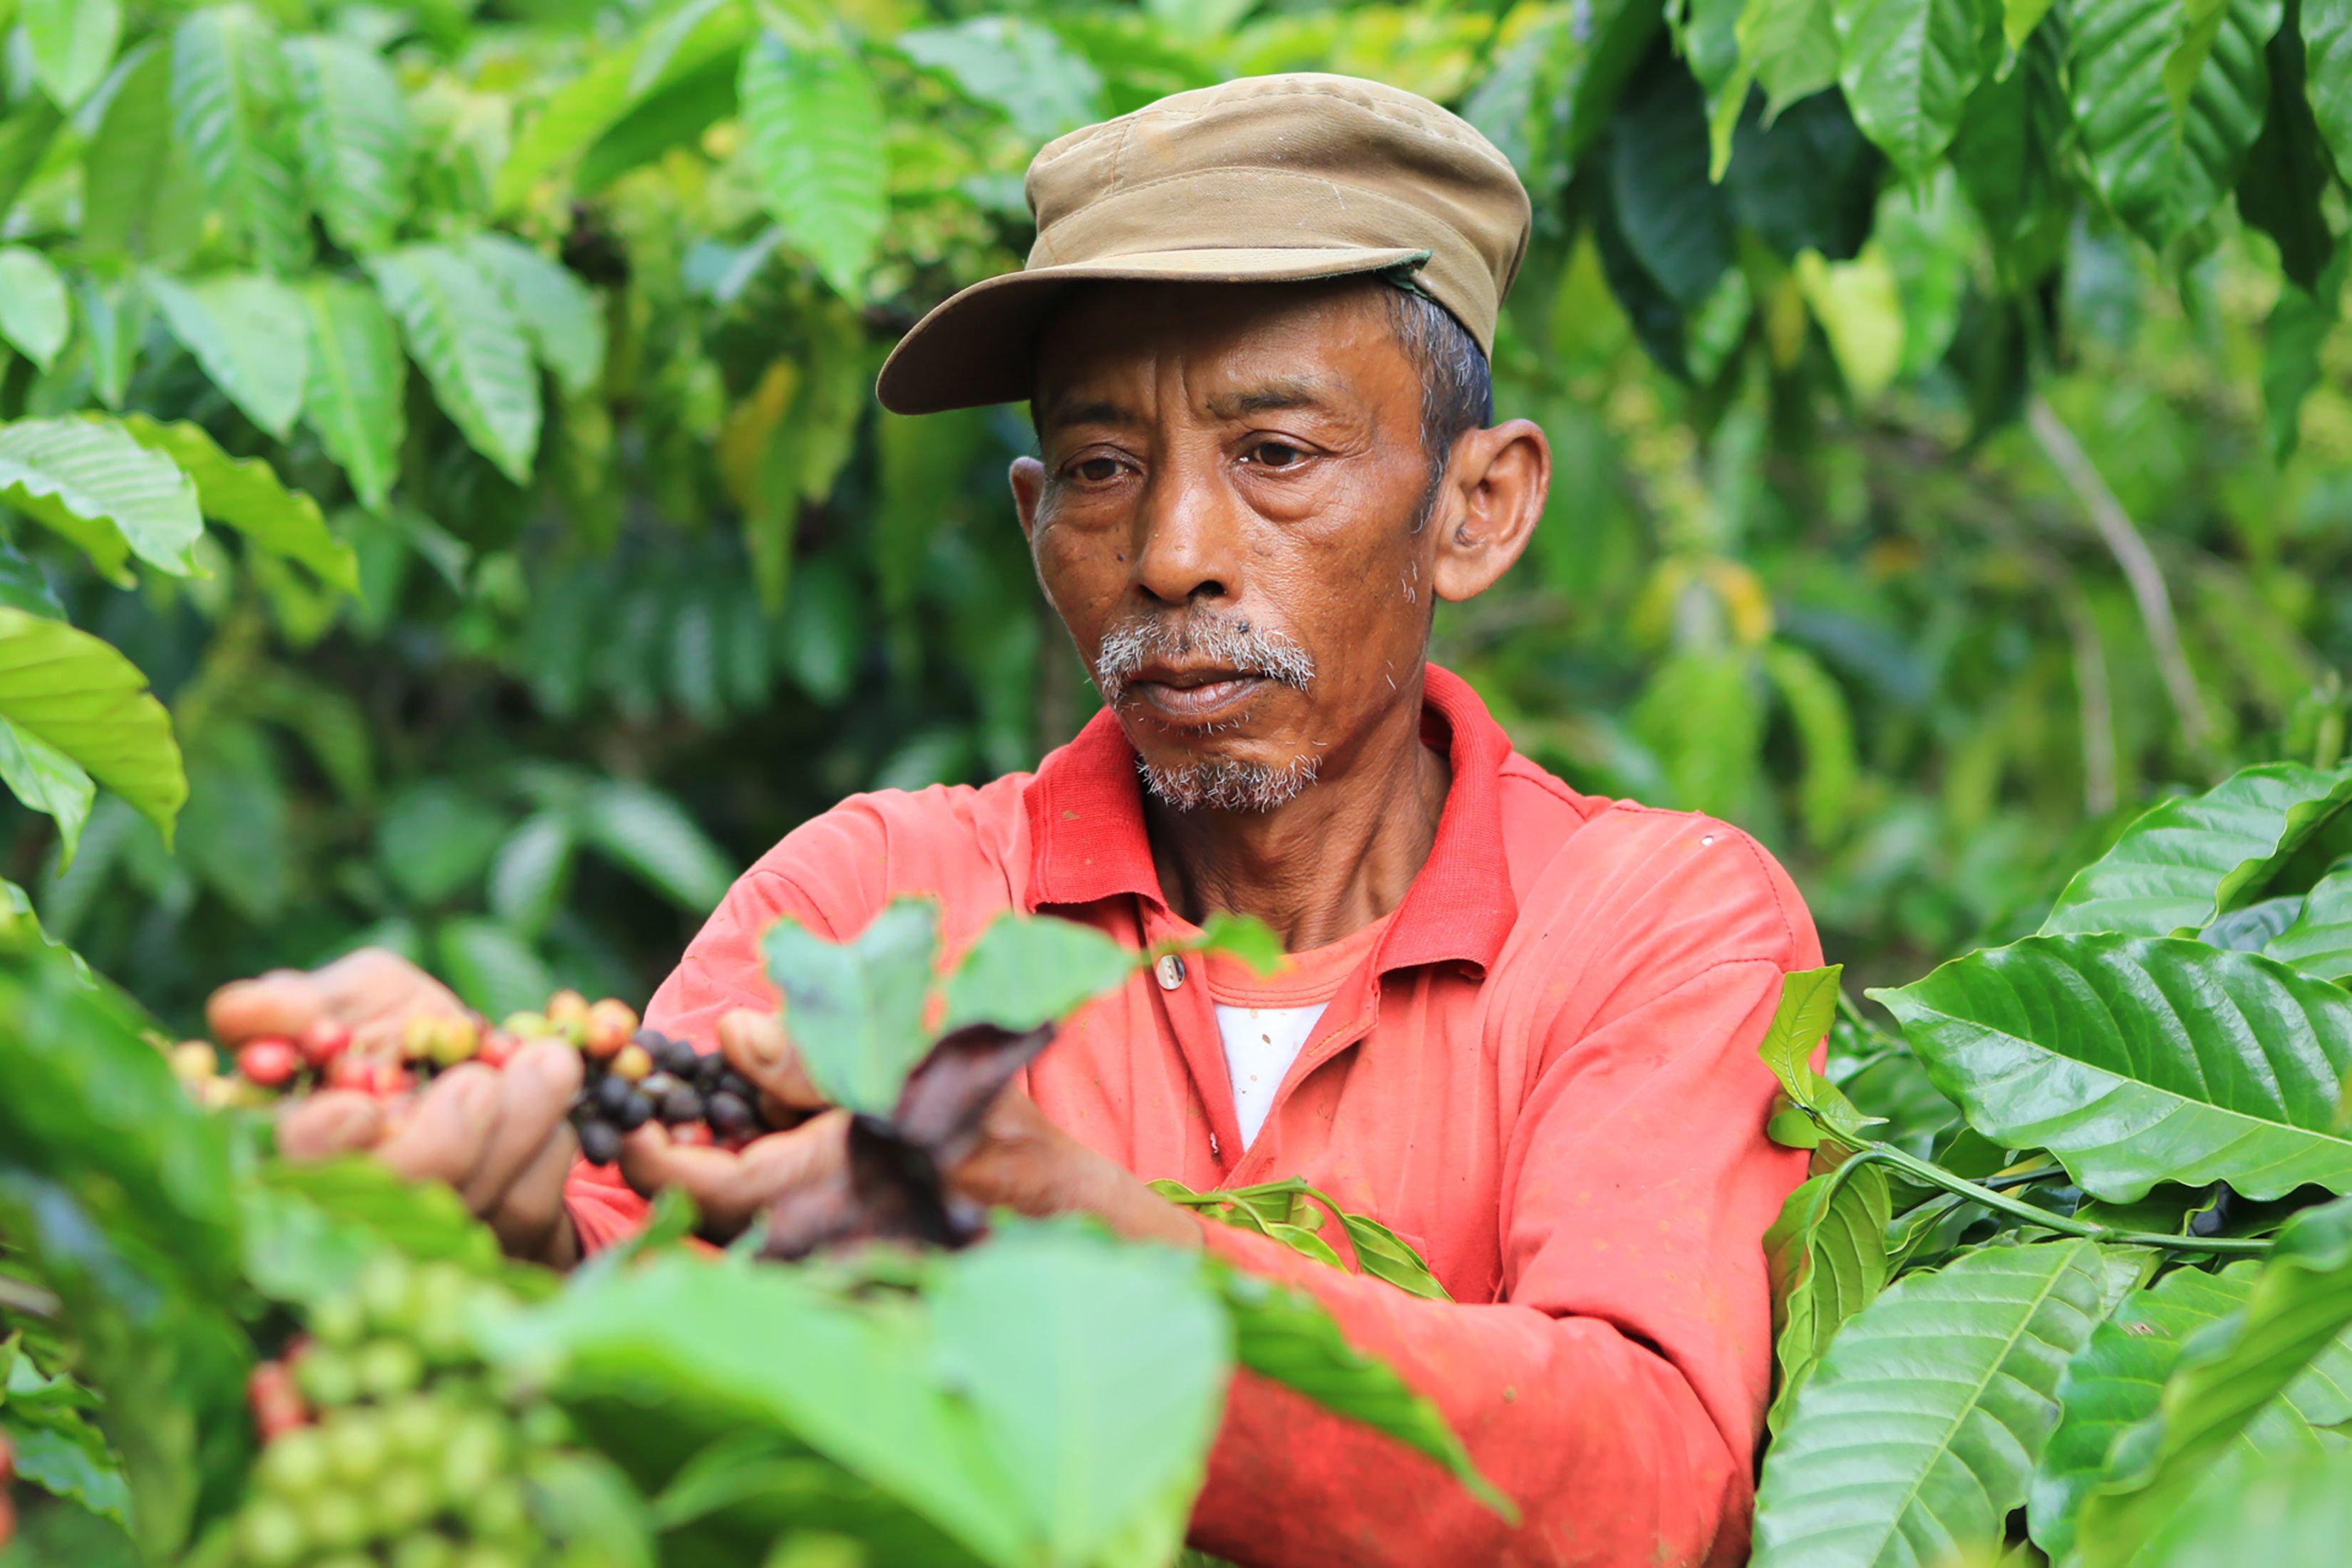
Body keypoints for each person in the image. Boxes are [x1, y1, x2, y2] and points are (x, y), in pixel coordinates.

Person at [209, 73, 1821, 1567]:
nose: (1177, 549)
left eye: (1275, 454)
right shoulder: (876, 901)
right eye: (1107, 467)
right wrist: (490, 1218)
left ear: (1478, 505)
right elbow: (631, 1310)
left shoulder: (1655, 921)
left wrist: (1071, 1233)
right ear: (1039, 520)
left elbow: (1649, 1476)